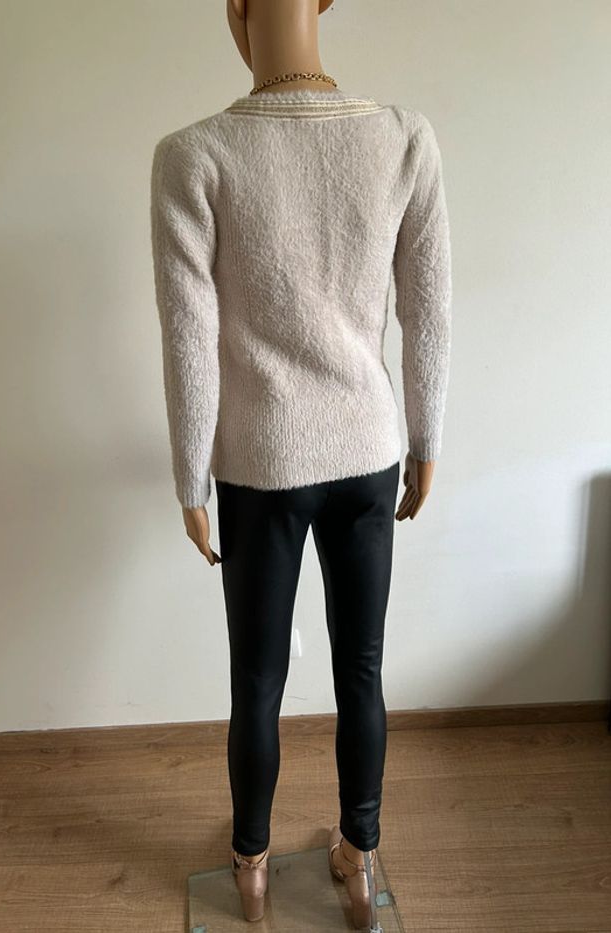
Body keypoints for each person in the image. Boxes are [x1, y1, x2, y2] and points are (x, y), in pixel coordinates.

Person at [149, 0, 452, 926]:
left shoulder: (194, 155)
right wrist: (426, 439)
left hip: (260, 462)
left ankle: (249, 867)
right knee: (363, 667)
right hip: (369, 451)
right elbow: (429, 311)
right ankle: (358, 858)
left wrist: (190, 478)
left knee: (256, 679)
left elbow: (189, 337)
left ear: (236, 12)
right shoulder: (403, 138)